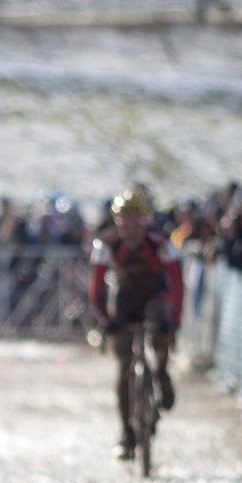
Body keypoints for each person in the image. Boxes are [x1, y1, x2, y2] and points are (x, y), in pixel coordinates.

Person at [89, 189, 184, 460]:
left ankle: (162, 372)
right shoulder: (106, 245)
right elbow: (96, 288)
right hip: (126, 298)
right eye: (124, 221)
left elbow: (177, 285)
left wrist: (174, 321)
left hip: (155, 294)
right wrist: (105, 321)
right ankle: (126, 432)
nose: (130, 228)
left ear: (145, 221)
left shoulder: (160, 243)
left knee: (160, 325)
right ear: (117, 221)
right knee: (124, 364)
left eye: (136, 220)